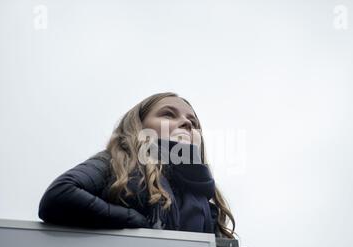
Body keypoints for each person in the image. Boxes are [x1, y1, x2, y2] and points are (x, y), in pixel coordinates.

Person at [38, 92, 236, 239]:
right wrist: (135, 222)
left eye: (193, 121)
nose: (187, 123)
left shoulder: (208, 203)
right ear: (139, 127)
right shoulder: (117, 163)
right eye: (168, 114)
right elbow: (60, 194)